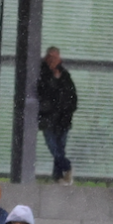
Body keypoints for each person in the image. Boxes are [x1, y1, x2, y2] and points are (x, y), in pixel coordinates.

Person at [37, 46, 77, 184]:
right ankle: (67, 167)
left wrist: (68, 110)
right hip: (48, 119)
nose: (52, 60)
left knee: (59, 148)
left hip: (63, 119)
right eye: (50, 57)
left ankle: (58, 176)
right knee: (54, 147)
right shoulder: (41, 74)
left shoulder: (65, 75)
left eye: (55, 57)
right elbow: (42, 92)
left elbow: (71, 96)